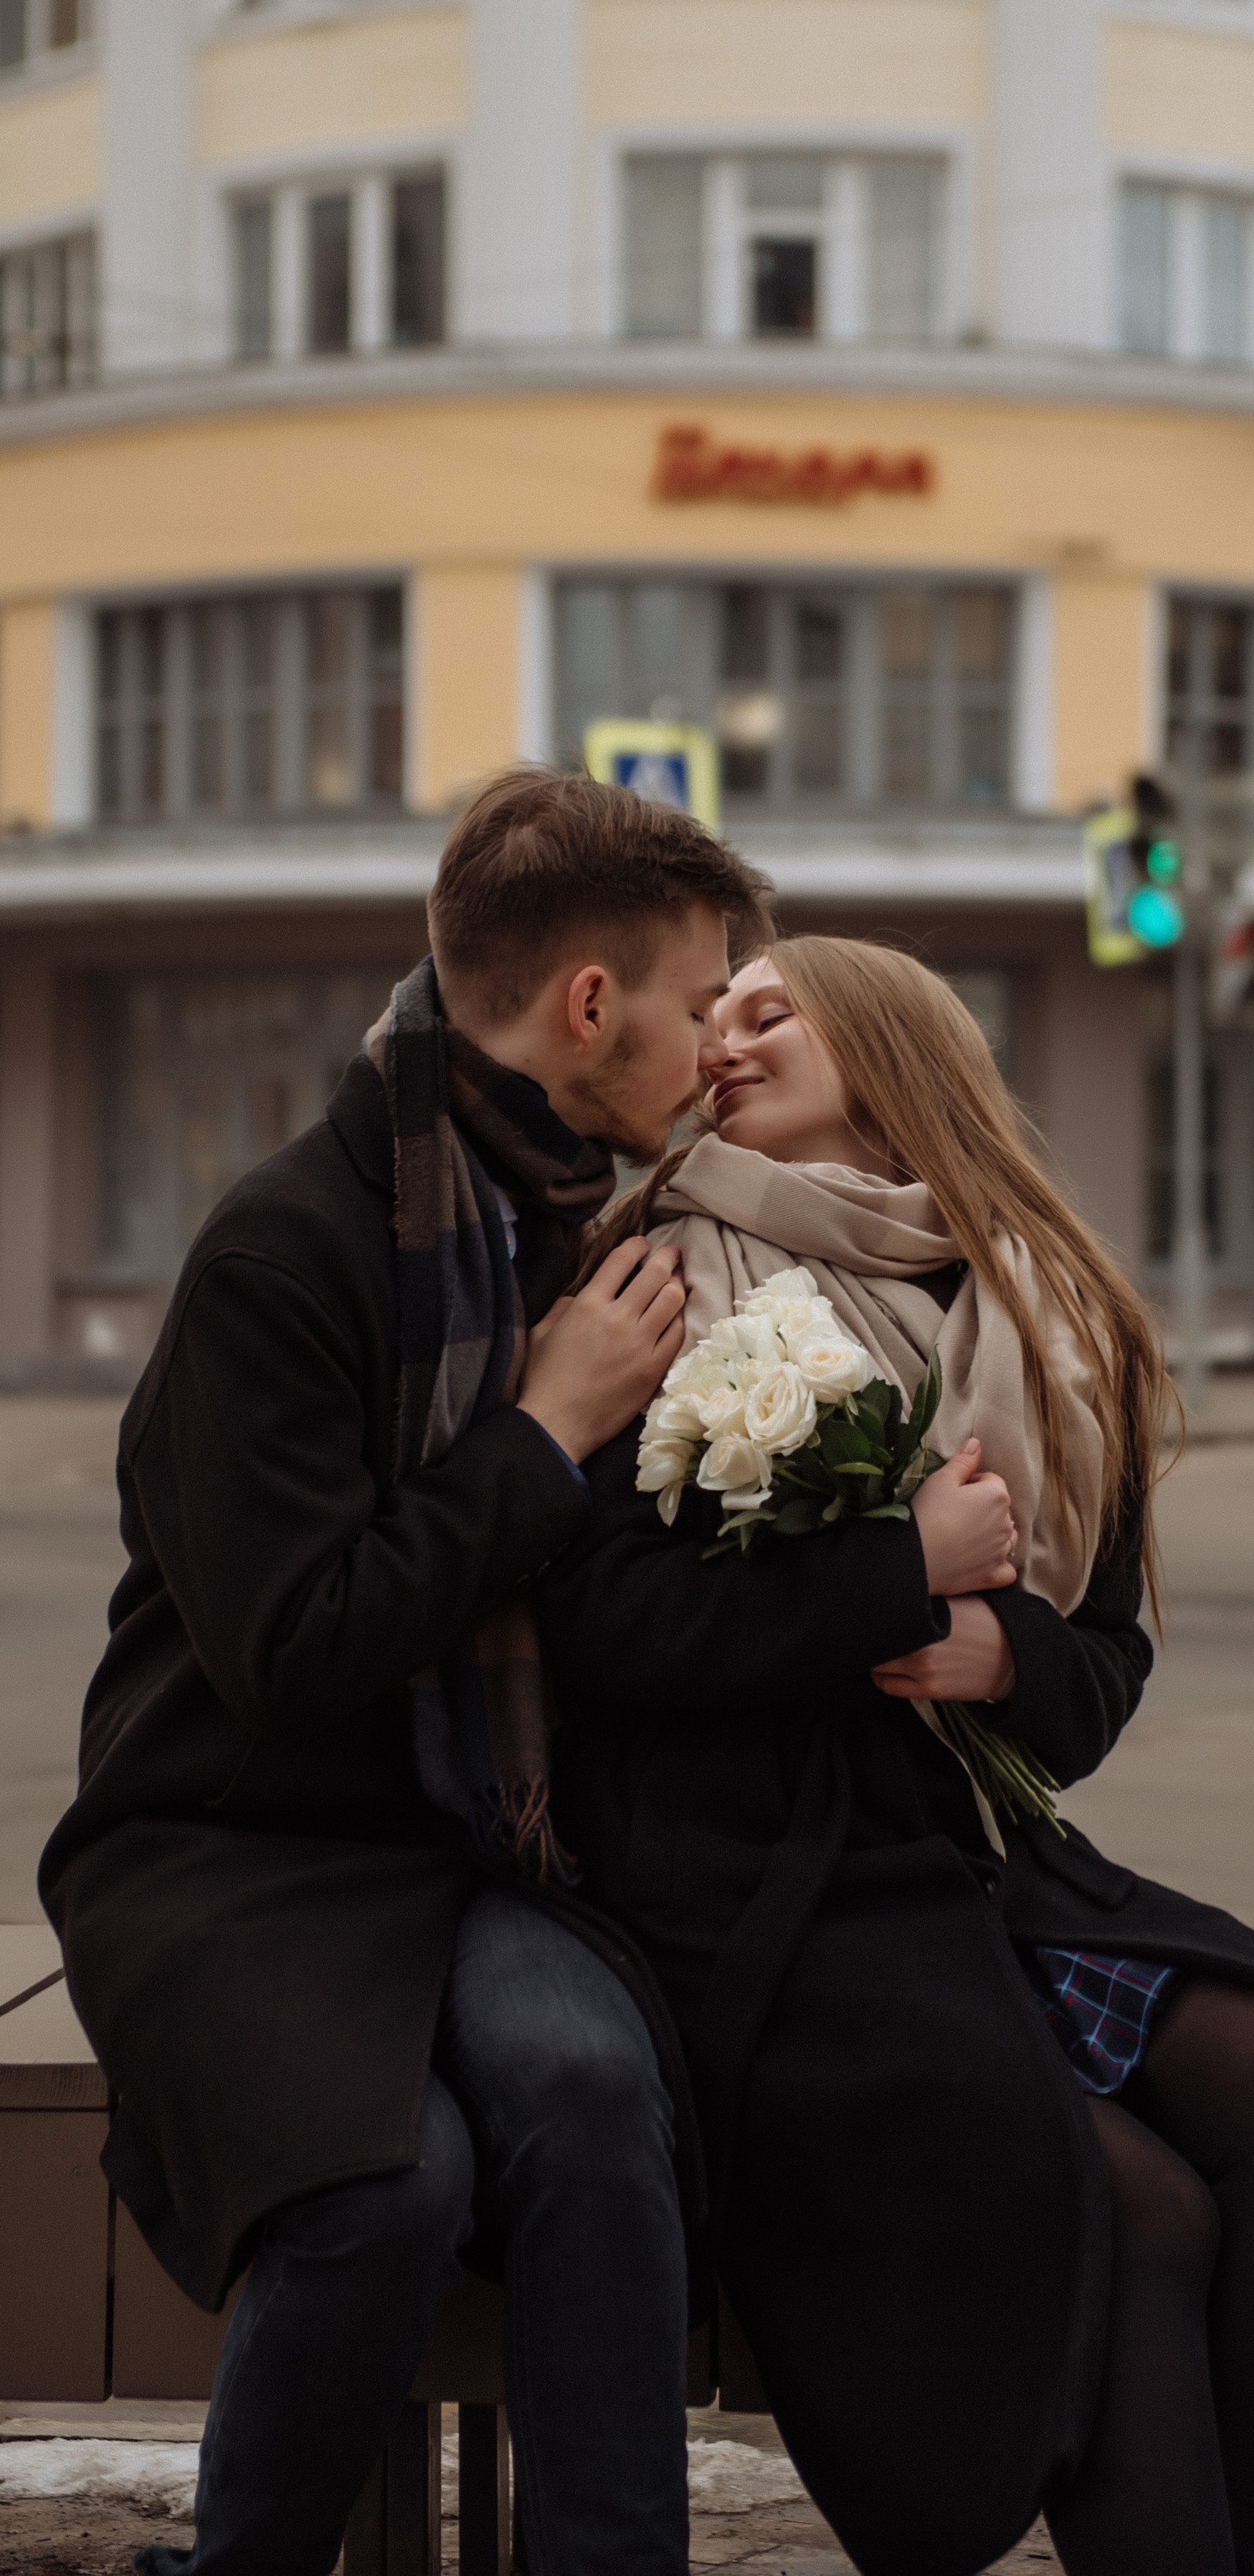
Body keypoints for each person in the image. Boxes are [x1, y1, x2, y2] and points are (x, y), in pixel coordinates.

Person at [538, 935, 1254, 2576]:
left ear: (890, 1050)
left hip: (975, 1867)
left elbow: (1101, 1668)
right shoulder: (654, 1280)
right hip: (763, 1903)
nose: (723, 1038)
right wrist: (896, 1575)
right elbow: (603, 1631)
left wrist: (1003, 1654)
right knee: (1139, 2213)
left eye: (767, 1010)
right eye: (712, 1013)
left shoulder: (1043, 1310)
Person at [38, 769, 773, 2576]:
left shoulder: (585, 1230)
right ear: (588, 1004)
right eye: (697, 1002)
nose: (714, 1046)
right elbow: (295, 1652)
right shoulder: (285, 1254)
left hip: (460, 1854)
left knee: (592, 2102)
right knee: (387, 2189)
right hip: (231, 1850)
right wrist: (539, 1433)